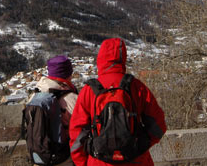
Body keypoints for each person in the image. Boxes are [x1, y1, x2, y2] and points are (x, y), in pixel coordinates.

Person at [69, 38, 167, 166]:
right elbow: (158, 126)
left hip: (99, 162)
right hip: (136, 161)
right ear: (123, 58)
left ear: (101, 58)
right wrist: (139, 146)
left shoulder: (89, 91)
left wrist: (83, 162)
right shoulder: (137, 87)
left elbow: (77, 135)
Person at [30, 55, 78, 166]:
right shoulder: (72, 99)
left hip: (39, 157)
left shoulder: (35, 96)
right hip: (63, 159)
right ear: (68, 74)